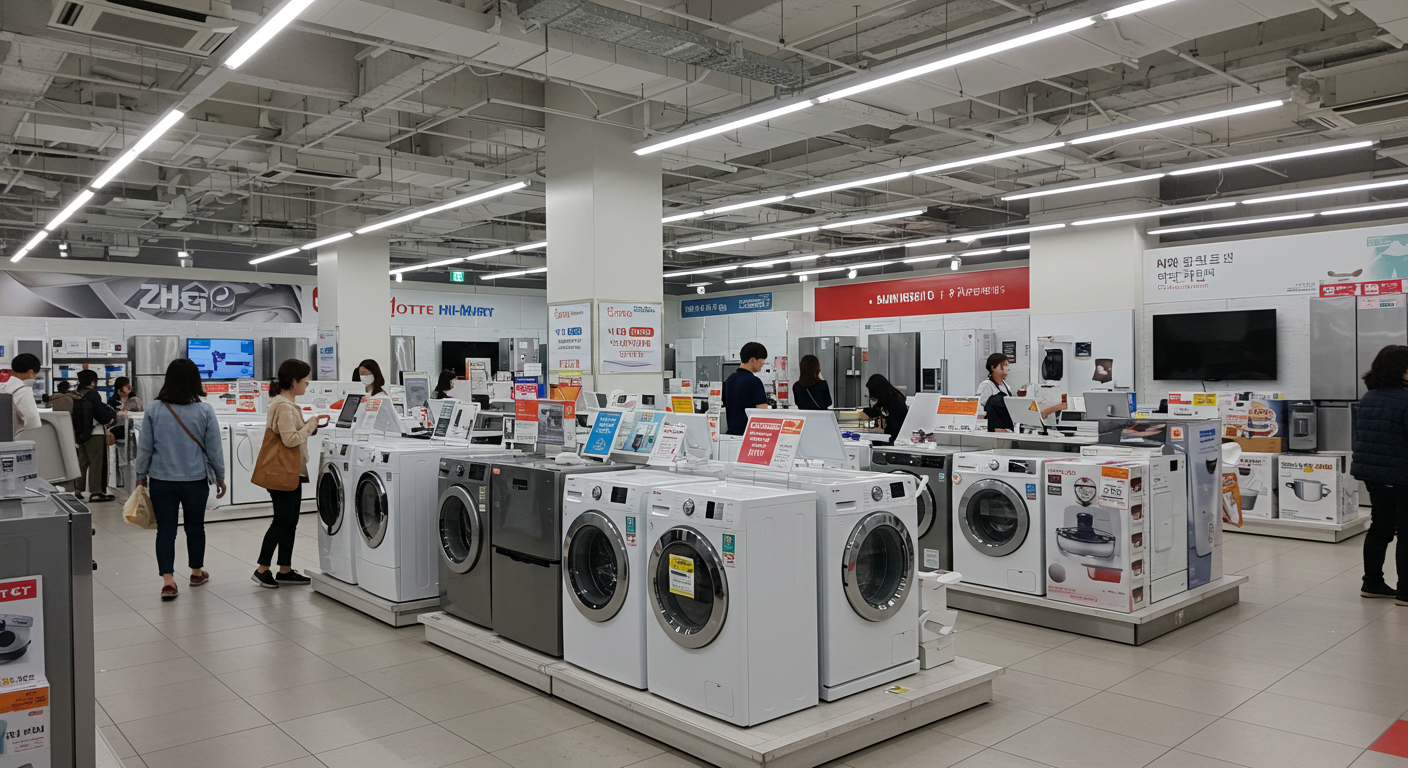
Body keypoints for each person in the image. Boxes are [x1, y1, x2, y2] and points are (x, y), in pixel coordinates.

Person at [134, 359, 226, 601]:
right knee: (195, 527)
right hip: (195, 480)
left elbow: (145, 447)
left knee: (166, 531)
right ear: (195, 380)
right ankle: (196, 572)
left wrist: (140, 476)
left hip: (161, 480)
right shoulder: (205, 410)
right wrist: (220, 476)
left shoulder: (154, 409)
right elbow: (214, 448)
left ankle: (168, 582)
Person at [252, 359, 323, 588]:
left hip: (292, 470)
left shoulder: (285, 403)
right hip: (283, 470)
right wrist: (310, 425)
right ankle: (262, 569)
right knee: (282, 521)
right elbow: (290, 439)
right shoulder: (283, 405)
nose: (307, 383)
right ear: (294, 381)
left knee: (290, 521)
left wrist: (308, 426)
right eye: (305, 379)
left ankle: (285, 569)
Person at [1351, 344, 1408, 605]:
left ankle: (1372, 583)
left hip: (1373, 473)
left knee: (1380, 527)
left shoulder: (1369, 397)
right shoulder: (1404, 399)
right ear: (1402, 370)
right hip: (1401, 474)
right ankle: (1405, 592)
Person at [73, 369, 117, 502]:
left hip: (81, 433)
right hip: (95, 433)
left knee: (82, 462)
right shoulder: (93, 394)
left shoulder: (77, 394)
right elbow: (100, 414)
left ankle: (77, 489)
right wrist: (110, 418)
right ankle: (96, 491)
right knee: (96, 463)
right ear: (92, 381)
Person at [722, 342, 770, 436]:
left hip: (732, 435)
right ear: (752, 359)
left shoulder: (729, 380)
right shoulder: (754, 381)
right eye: (762, 359)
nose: (763, 363)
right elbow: (763, 412)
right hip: (750, 436)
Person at [0, 353, 43, 433]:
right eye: (35, 375)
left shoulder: (3, 387)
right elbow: (33, 421)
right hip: (17, 438)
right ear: (31, 372)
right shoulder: (23, 391)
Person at [863, 374, 910, 446]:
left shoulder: (896, 403)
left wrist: (883, 431)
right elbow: (876, 411)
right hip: (890, 439)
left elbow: (895, 427)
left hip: (895, 441)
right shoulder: (887, 400)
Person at [976, 353, 1016, 432]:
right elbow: (979, 409)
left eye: (1007, 366)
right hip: (994, 429)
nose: (1007, 369)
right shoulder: (986, 385)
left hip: (1007, 427)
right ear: (993, 367)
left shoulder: (1005, 386)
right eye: (1003, 366)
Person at [107, 377, 143, 441]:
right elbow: (110, 417)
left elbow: (139, 415)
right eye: (126, 386)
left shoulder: (135, 400)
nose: (129, 388)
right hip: (117, 431)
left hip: (133, 429)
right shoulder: (112, 401)